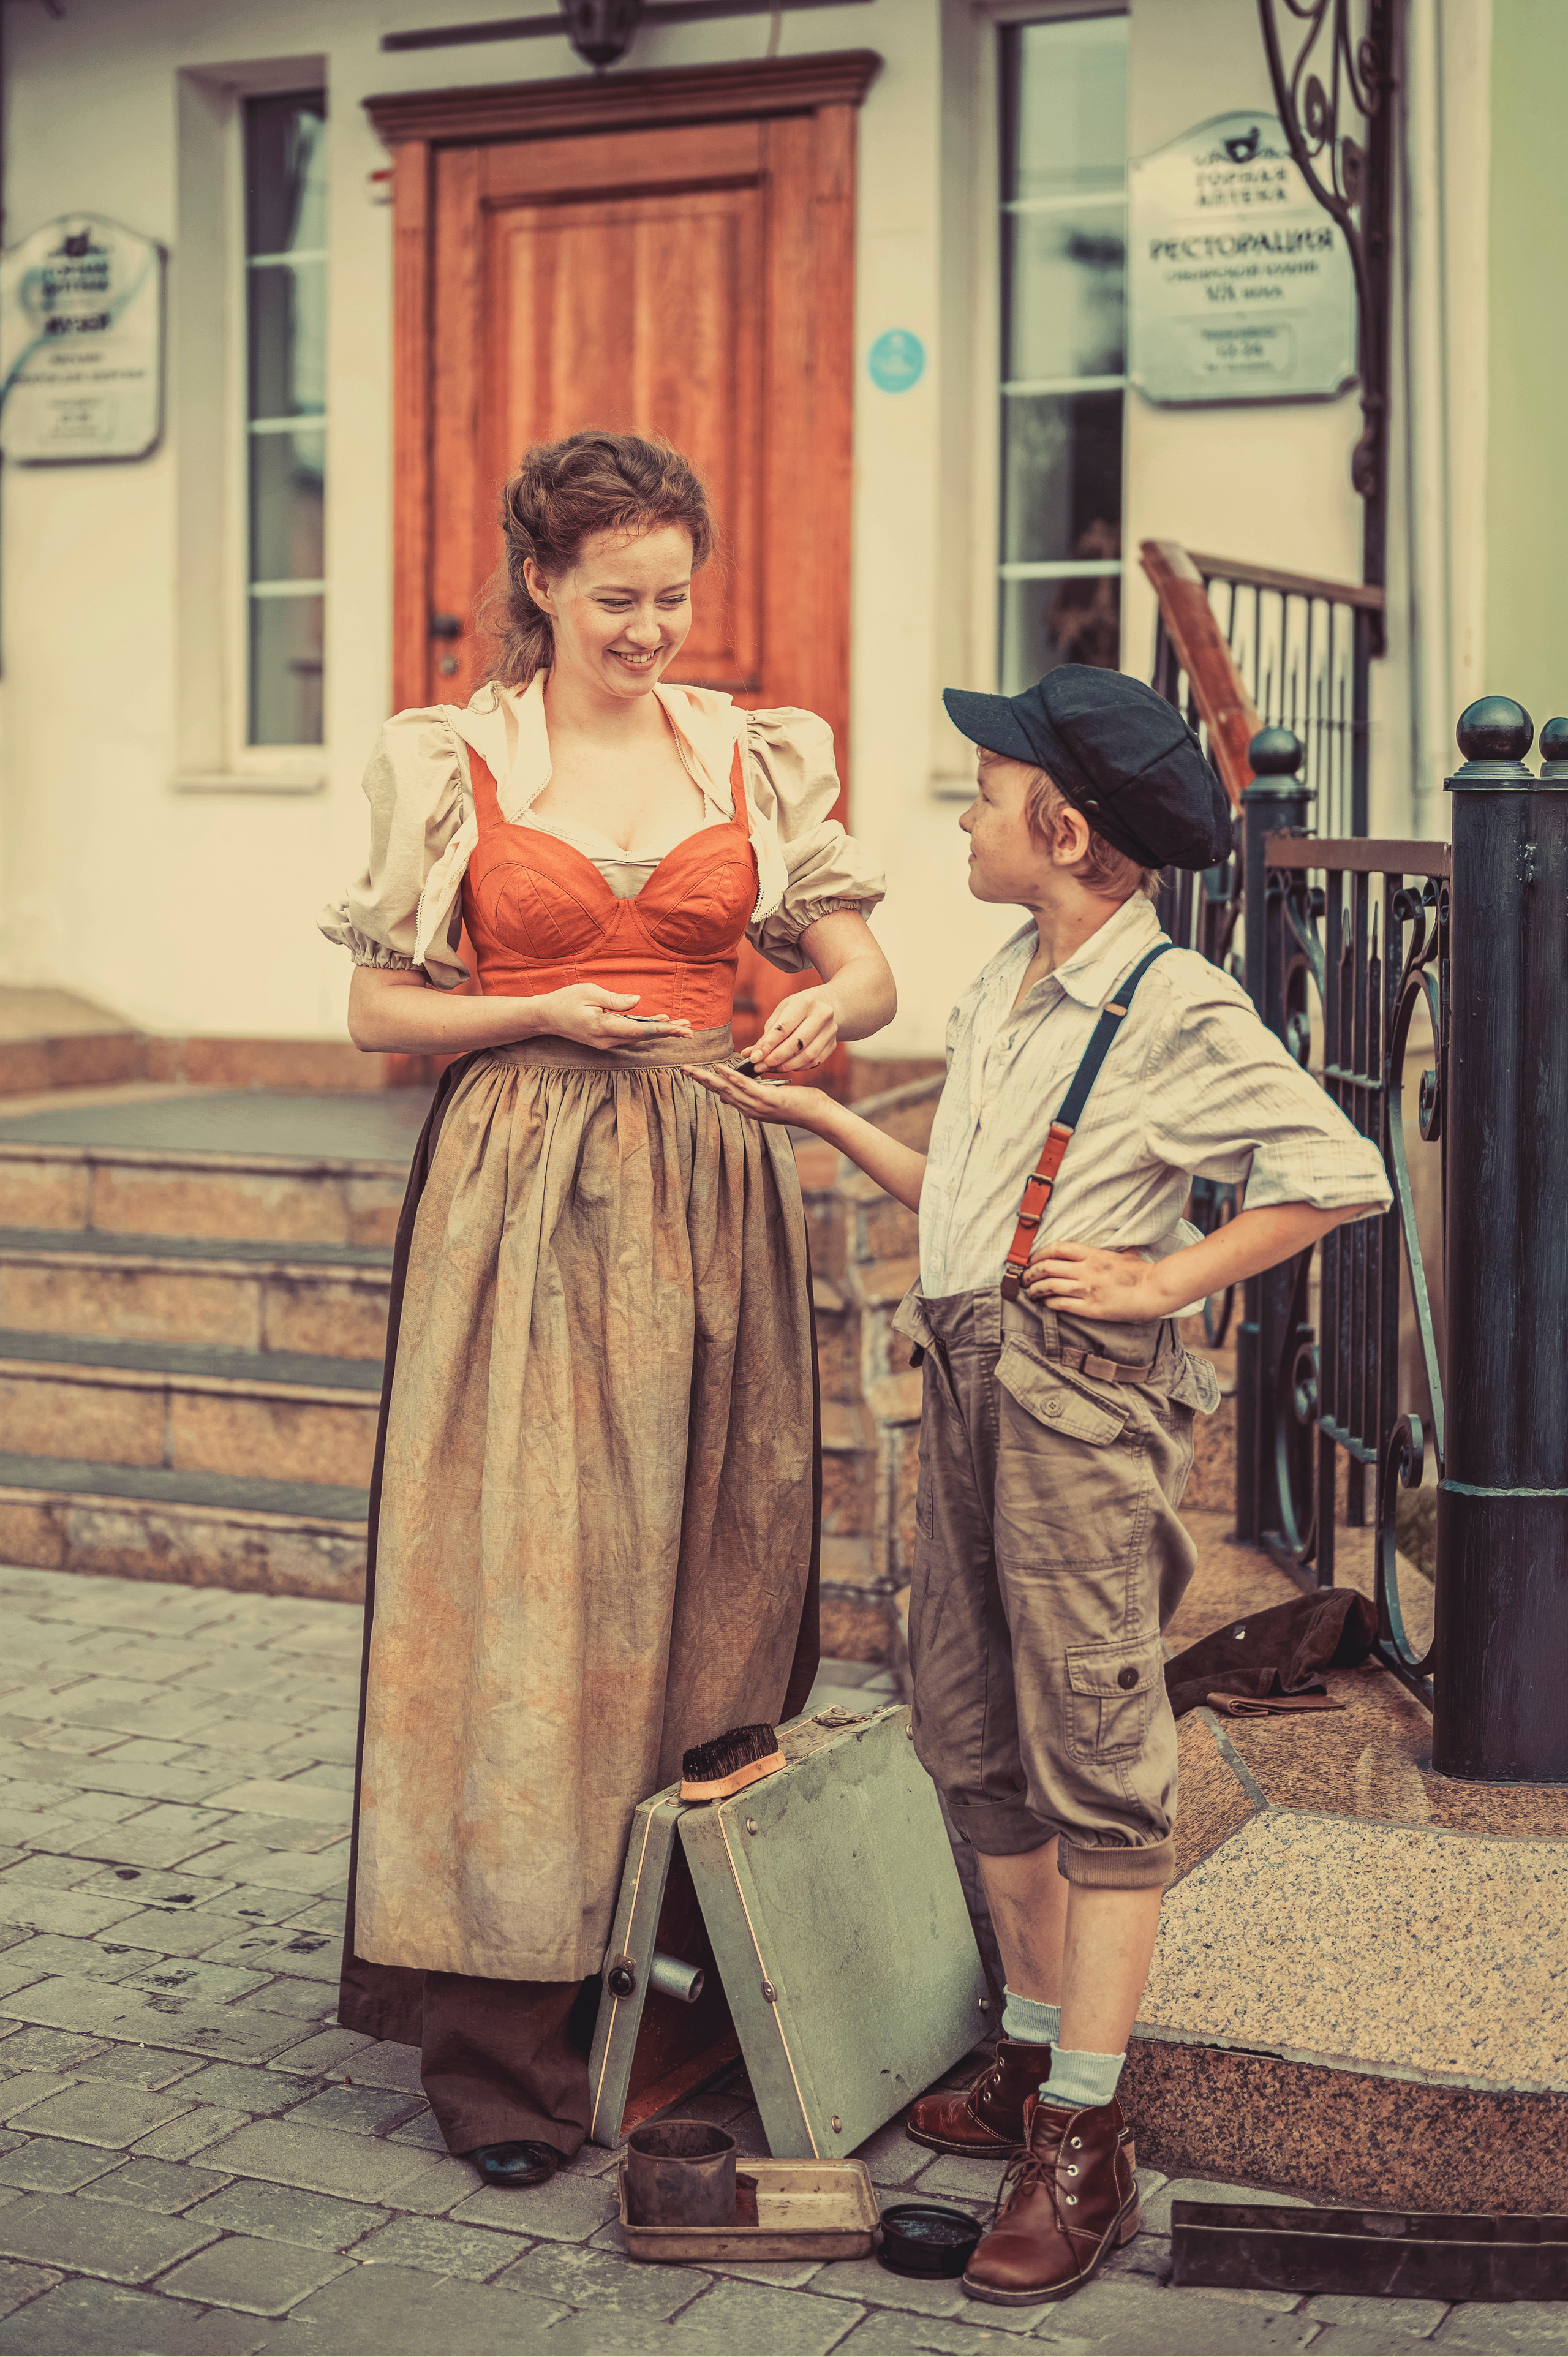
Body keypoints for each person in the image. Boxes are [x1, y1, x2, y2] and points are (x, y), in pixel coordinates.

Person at [691, 663, 1390, 2306]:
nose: (964, 816)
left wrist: (1167, 1278)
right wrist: (821, 1121)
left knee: (1094, 1754)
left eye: (986, 794)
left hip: (1077, 1410)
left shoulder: (1174, 1006)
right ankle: (1028, 2050)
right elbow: (966, 1197)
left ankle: (1087, 2132)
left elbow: (1339, 1172)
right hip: (966, 1378)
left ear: (1063, 831)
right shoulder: (1009, 981)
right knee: (973, 1732)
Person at [319, 430, 894, 2189]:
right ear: (543, 585)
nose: (651, 630)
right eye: (618, 598)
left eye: (674, 597)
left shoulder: (753, 749)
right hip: (522, 1193)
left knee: (714, 1565)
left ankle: (679, 1995)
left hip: (714, 1181)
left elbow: (865, 963)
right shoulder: (454, 757)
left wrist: (831, 1005)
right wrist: (542, 1006)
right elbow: (375, 1012)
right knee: (524, 1584)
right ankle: (498, 2037)